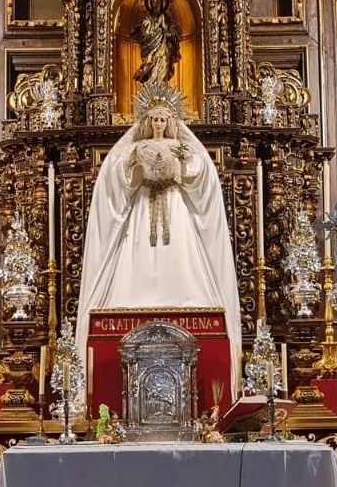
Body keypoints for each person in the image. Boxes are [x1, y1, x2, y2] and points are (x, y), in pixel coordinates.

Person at [75, 83, 242, 398]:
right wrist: (134, 167)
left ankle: (184, 296)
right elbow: (117, 175)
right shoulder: (134, 147)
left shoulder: (183, 146)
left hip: (174, 208)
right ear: (146, 121)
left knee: (180, 258)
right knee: (137, 255)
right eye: (154, 119)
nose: (159, 124)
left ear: (172, 121)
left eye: (164, 119)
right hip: (142, 210)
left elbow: (200, 170)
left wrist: (178, 167)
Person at [132, 0, 180, 84]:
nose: (156, 4)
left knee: (163, 61)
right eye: (154, 2)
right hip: (151, 48)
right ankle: (152, 83)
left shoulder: (165, 18)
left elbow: (172, 32)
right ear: (150, 4)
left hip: (163, 46)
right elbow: (144, 32)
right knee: (152, 65)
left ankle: (161, 84)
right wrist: (154, 25)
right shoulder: (148, 17)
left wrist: (165, 28)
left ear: (161, 4)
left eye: (157, 2)